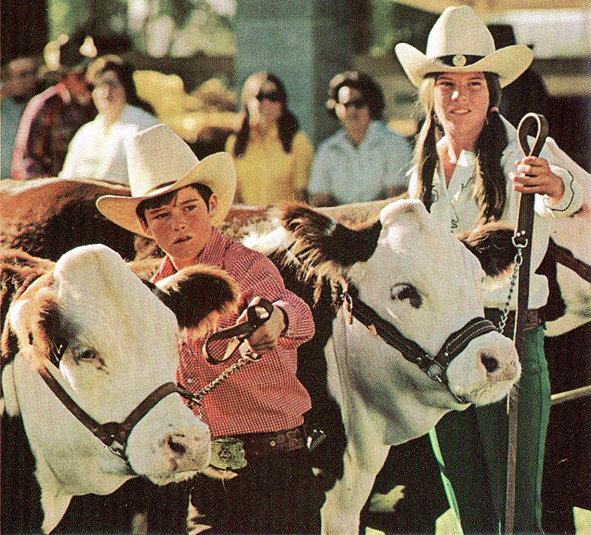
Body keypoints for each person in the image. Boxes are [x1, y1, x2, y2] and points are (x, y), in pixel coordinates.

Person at [394, 6, 582, 534]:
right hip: (443, 351)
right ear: (430, 93)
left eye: (474, 83)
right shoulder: (424, 162)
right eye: (447, 84)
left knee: (517, 517)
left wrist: (556, 186)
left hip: (509, 340)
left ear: (493, 92)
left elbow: (574, 195)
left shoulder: (522, 150)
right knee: (469, 513)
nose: (460, 96)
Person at [96, 124, 322, 534]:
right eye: (162, 215)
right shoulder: (152, 296)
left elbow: (299, 315)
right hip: (206, 479)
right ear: (145, 226)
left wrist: (276, 318)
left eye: (190, 208)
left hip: (278, 474)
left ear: (212, 205)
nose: (178, 224)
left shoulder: (247, 266)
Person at [308, 71, 413, 207]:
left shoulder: (395, 144)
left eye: (359, 104)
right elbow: (319, 201)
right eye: (346, 105)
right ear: (336, 108)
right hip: (339, 219)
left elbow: (397, 200)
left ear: (372, 105)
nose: (352, 110)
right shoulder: (327, 149)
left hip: (383, 218)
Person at [59, 55, 159, 184]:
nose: (107, 93)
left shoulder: (146, 126)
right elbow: (66, 179)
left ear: (126, 88)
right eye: (100, 85)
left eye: (113, 84)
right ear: (92, 93)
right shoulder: (85, 134)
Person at [12, 33, 97, 180]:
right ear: (63, 78)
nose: (87, 81)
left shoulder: (94, 104)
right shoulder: (45, 106)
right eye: (79, 76)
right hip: (49, 186)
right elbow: (27, 160)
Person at [226, 71, 313, 205]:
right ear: (246, 102)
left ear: (282, 104)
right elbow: (233, 197)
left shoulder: (298, 141)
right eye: (259, 96)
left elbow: (302, 196)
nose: (266, 103)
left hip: (285, 217)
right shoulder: (235, 143)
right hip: (249, 217)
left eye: (273, 97)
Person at [1, 55, 39, 179]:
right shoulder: (4, 105)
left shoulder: (40, 107)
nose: (29, 80)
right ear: (6, 79)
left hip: (26, 181)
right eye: (23, 75)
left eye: (32, 74)